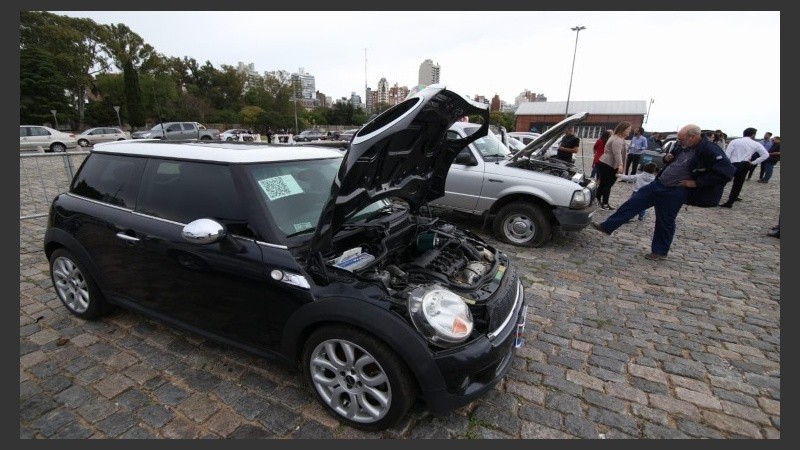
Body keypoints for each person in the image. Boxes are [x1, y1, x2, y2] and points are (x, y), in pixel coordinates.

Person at [590, 124, 735, 261]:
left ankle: (659, 251)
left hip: (675, 190)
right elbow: (672, 159)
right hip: (659, 183)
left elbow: (726, 172)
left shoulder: (710, 150)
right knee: (633, 203)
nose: (679, 142)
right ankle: (608, 226)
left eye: (682, 139)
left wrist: (696, 183)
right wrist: (667, 158)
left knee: (665, 220)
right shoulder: (683, 145)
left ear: (693, 137)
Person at [719, 127, 769, 208]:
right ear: (753, 135)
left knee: (723, 181)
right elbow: (766, 155)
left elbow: (727, 154)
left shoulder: (735, 141)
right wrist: (753, 163)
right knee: (738, 184)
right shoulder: (755, 144)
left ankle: (716, 197)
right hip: (745, 164)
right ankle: (731, 201)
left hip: (733, 163)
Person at [595, 121, 630, 210]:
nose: (629, 131)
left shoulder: (616, 137)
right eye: (628, 129)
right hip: (609, 164)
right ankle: (605, 204)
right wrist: (620, 165)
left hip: (605, 163)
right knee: (608, 185)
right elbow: (617, 154)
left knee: (603, 184)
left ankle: (596, 200)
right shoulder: (617, 139)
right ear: (622, 129)